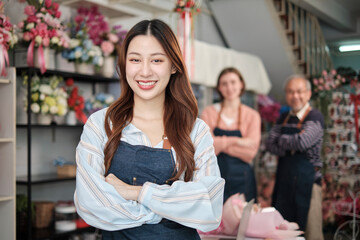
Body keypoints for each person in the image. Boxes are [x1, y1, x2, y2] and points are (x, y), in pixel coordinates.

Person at [74, 19, 225, 240]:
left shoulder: (195, 130)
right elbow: (90, 202)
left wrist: (136, 192)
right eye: (135, 60)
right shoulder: (102, 124)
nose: (144, 71)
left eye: (156, 60)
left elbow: (209, 205)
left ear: (173, 65)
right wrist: (164, 210)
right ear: (125, 64)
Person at [265, 75, 324, 240]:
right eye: (290, 92)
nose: (295, 96)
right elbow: (270, 144)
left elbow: (303, 142)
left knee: (311, 232)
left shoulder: (315, 117)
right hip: (284, 182)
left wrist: (282, 142)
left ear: (308, 94)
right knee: (282, 230)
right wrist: (291, 145)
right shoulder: (283, 117)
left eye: (299, 91)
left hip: (309, 183)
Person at [200, 67, 261, 202]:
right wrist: (238, 141)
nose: (229, 87)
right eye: (224, 84)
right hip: (214, 178)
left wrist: (218, 143)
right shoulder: (208, 112)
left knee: (242, 221)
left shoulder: (252, 116)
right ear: (219, 88)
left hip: (243, 180)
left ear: (241, 84)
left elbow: (250, 153)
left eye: (233, 82)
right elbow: (206, 148)